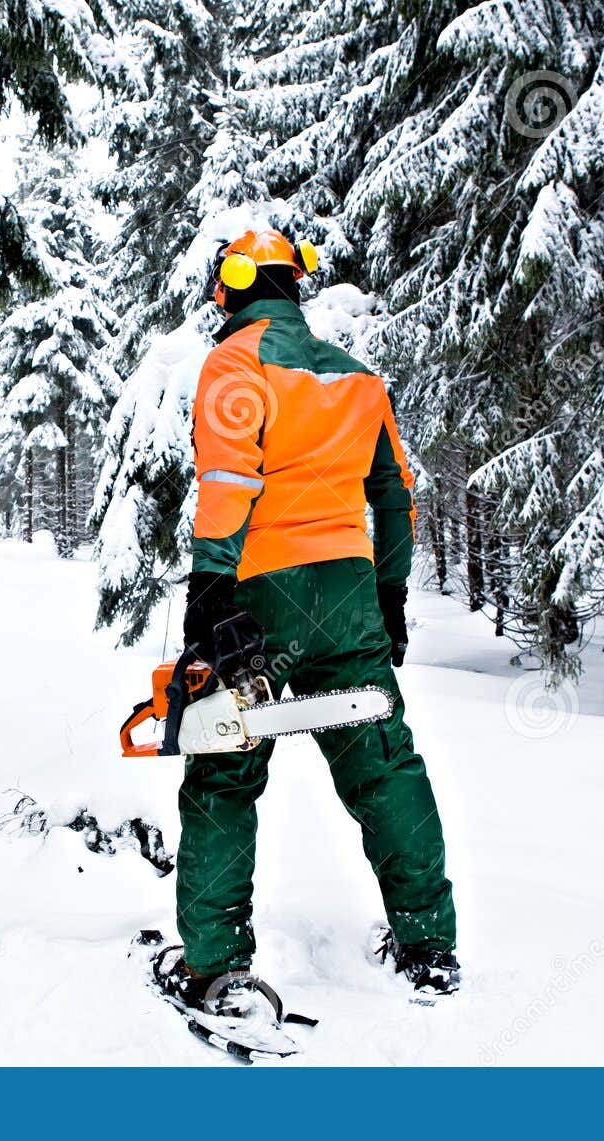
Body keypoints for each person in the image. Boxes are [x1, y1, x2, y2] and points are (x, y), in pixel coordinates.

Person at [154, 228, 459, 1016]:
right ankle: (429, 946)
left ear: (231, 287)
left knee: (224, 772)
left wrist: (210, 591)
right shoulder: (356, 377)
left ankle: (214, 963)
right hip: (347, 593)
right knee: (383, 764)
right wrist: (388, 594)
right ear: (296, 286)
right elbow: (394, 496)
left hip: (260, 592)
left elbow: (228, 482)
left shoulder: (234, 362)